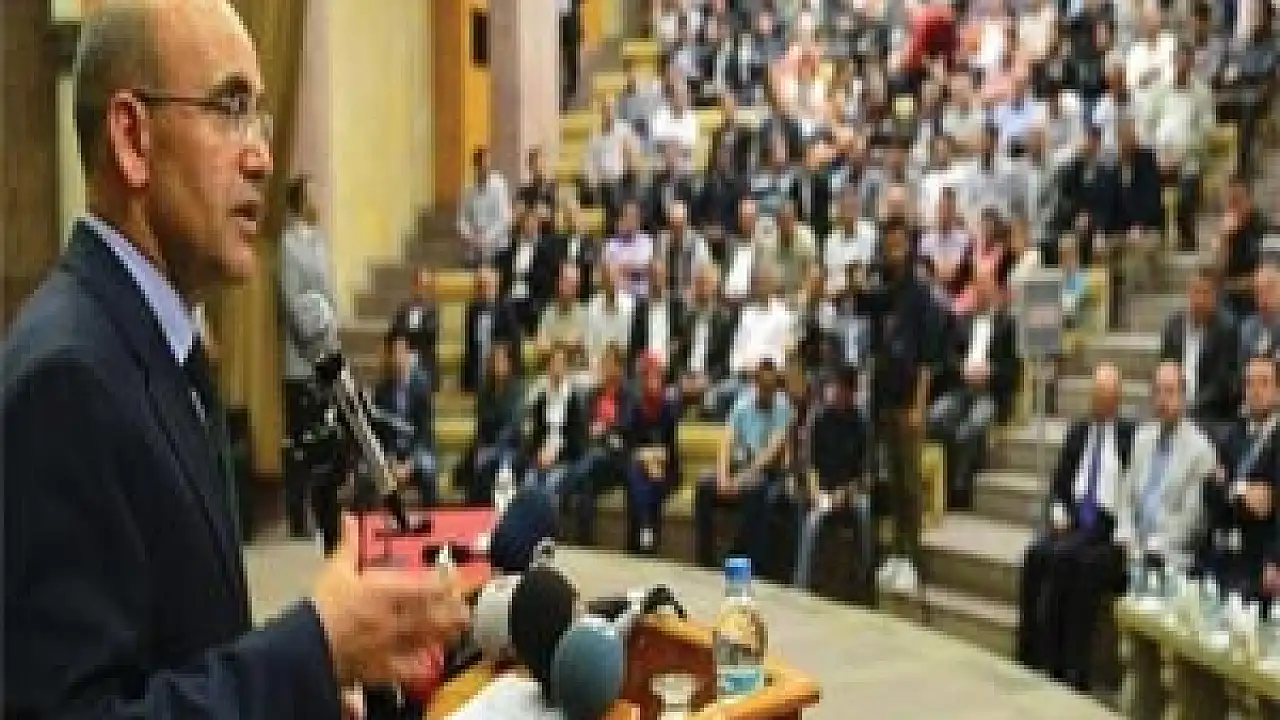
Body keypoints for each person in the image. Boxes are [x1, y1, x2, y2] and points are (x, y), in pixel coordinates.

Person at [2, 2, 467, 717]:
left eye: (260, 117)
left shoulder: (155, 342)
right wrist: (316, 650)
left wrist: (301, 690)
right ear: (132, 139)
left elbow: (176, 651)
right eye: (229, 108)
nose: (262, 158)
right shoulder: (68, 379)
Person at [1016, 363, 1135, 692]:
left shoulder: (1129, 436)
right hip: (1072, 518)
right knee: (1036, 554)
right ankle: (1029, 652)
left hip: (1105, 525)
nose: (1100, 403)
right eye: (1096, 395)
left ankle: (1066, 665)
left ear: (1117, 399)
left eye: (1107, 397)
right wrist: (1058, 511)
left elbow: (1132, 489)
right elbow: (1060, 483)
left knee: (1068, 560)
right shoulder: (1079, 431)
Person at [1114, 362, 1216, 574]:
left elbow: (1192, 519)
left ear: (1184, 398)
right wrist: (1125, 534)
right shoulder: (1142, 438)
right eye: (1157, 391)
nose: (1162, 400)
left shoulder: (1201, 450)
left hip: (1171, 553)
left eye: (1169, 392)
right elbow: (1126, 498)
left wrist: (1154, 544)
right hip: (1132, 546)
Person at [279, 173, 336, 538]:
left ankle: (323, 511)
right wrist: (316, 330)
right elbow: (292, 300)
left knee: (325, 438)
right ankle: (298, 516)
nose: (318, 202)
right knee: (301, 440)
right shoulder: (288, 245)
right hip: (301, 357)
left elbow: (329, 292)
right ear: (300, 201)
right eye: (312, 195)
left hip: (326, 352)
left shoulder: (319, 241)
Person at [694, 358, 792, 572]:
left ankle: (745, 561)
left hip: (767, 471)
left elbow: (770, 453)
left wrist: (740, 480)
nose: (767, 393)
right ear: (756, 384)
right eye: (763, 388)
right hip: (740, 465)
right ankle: (705, 559)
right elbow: (726, 442)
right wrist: (723, 477)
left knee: (755, 489)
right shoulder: (742, 403)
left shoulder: (783, 406)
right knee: (704, 483)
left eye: (771, 388)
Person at [390, 265, 440, 389]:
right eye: (418, 283)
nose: (420, 288)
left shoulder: (433, 310)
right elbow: (394, 335)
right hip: (402, 365)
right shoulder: (403, 310)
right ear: (413, 285)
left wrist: (406, 339)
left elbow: (429, 336)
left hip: (423, 365)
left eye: (424, 284)